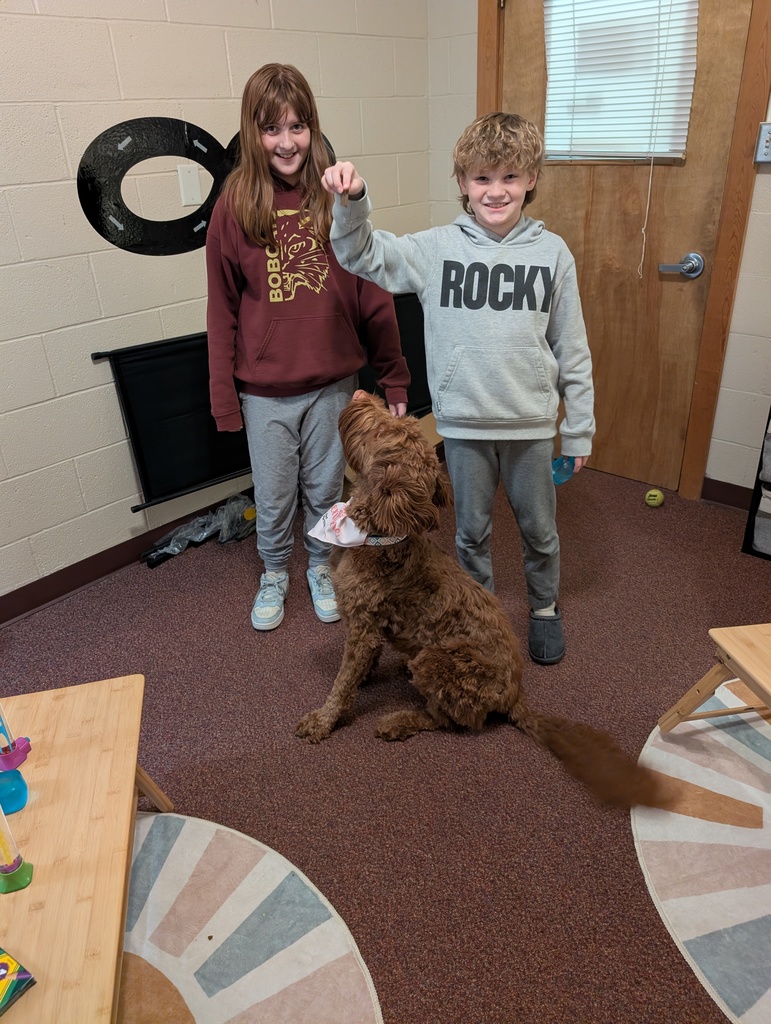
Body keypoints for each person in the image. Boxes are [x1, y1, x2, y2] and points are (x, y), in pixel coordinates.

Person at [321, 112, 595, 665]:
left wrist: (580, 428)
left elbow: (572, 347)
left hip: (531, 427)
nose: (496, 192)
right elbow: (359, 255)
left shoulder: (553, 254)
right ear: (464, 184)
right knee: (470, 534)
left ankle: (544, 608)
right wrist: (353, 201)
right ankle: (481, 612)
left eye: (510, 178)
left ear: (531, 180)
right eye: (482, 178)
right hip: (465, 426)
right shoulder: (435, 248)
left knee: (540, 532)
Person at [206, 63, 410, 632]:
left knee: (325, 488)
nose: (288, 141)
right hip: (265, 390)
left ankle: (320, 562)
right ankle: (275, 571)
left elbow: (373, 294)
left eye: (298, 126)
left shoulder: (336, 199)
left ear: (313, 128)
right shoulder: (234, 206)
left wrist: (393, 375)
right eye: (273, 129)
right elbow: (220, 309)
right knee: (273, 496)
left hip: (332, 384)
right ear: (253, 132)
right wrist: (224, 395)